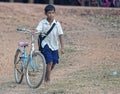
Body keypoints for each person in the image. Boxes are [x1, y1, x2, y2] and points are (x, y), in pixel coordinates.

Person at [36, 4, 64, 84]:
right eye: (49, 13)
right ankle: (47, 79)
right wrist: (35, 31)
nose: (51, 14)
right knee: (49, 62)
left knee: (54, 62)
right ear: (45, 14)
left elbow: (61, 35)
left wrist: (62, 47)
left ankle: (46, 75)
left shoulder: (57, 24)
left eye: (52, 13)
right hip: (45, 44)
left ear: (54, 13)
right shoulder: (42, 22)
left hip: (55, 45)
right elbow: (38, 29)